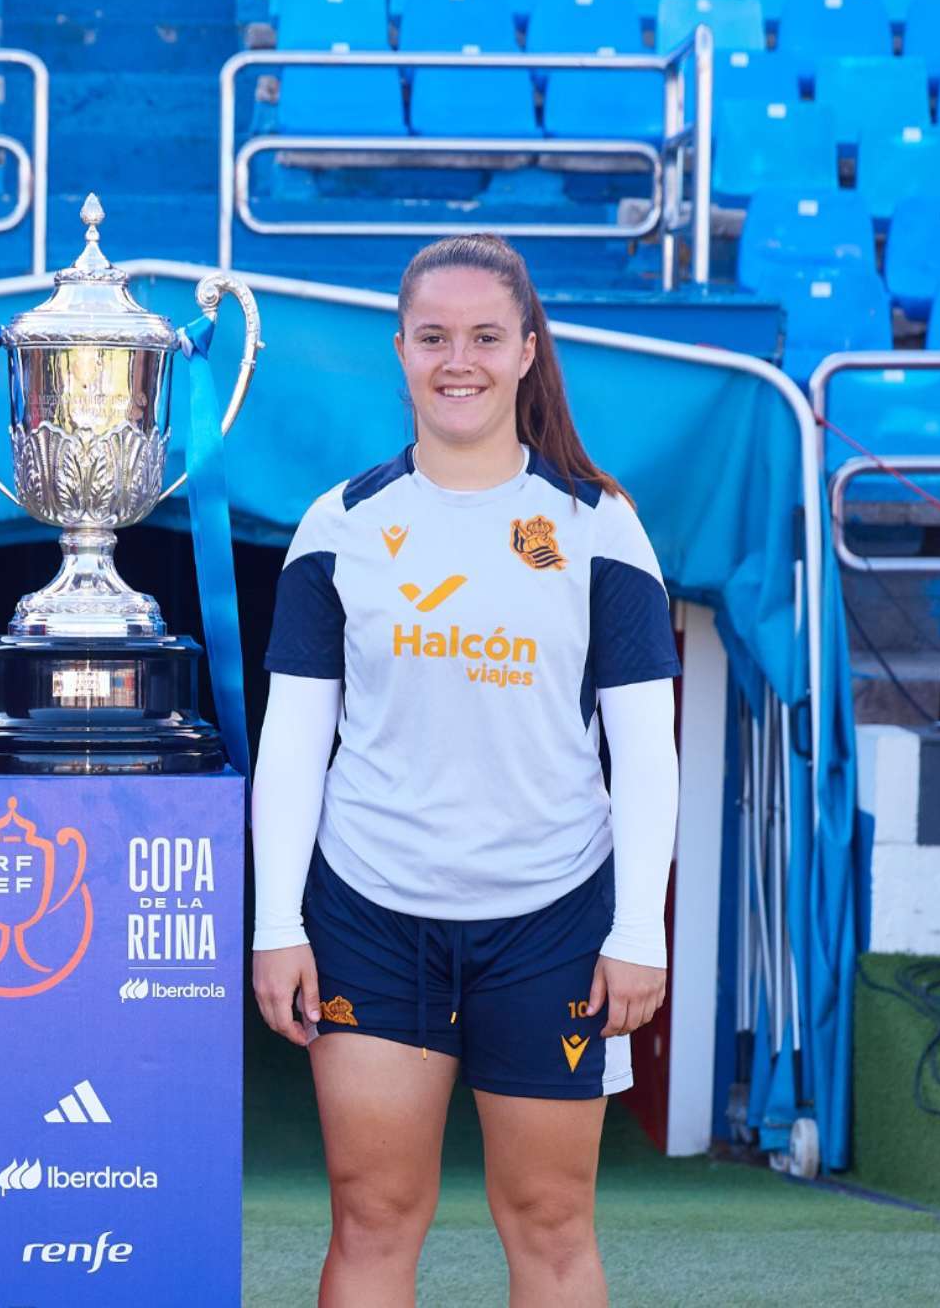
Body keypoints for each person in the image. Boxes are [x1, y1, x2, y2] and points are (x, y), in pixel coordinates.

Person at [251, 233, 681, 1308]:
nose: (460, 361)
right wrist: (275, 923)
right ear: (398, 350)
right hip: (371, 916)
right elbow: (294, 742)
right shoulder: (340, 525)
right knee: (374, 1218)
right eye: (434, 337)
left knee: (547, 1225)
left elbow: (645, 749)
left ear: (528, 350)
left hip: (550, 925)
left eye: (487, 337)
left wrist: (639, 930)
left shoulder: (600, 527)